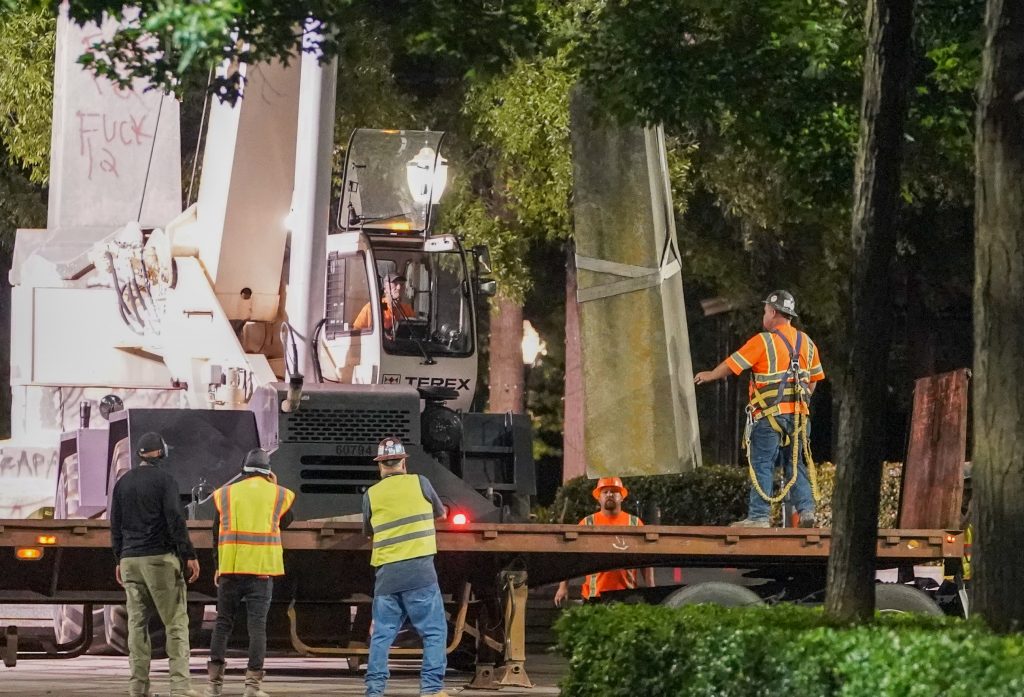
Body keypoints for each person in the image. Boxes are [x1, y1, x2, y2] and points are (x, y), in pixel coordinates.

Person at [693, 290, 825, 528]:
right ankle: (806, 511)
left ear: (773, 312)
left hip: (768, 417)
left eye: (765, 311)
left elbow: (733, 364)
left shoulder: (763, 341)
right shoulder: (807, 342)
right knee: (796, 465)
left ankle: (758, 517)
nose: (764, 316)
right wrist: (800, 402)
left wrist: (710, 374)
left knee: (762, 464)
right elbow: (813, 380)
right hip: (799, 417)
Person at [110, 431, 202, 697]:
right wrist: (189, 554)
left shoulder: (123, 483)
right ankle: (180, 687)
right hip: (159, 559)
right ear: (161, 453)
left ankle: (138, 687)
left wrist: (119, 558)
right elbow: (175, 519)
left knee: (137, 624)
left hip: (130, 561)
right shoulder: (165, 480)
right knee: (175, 623)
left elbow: (115, 525)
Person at [362, 437, 450, 697]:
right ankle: (431, 690)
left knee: (382, 636)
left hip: (387, 577)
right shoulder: (420, 483)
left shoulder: (371, 494)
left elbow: (368, 531)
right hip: (420, 573)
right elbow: (441, 514)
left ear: (380, 466)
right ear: (403, 462)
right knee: (434, 632)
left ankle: (374, 691)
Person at [207, 449, 295, 697]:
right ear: (268, 471)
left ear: (243, 470)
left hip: (230, 569)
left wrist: (218, 565)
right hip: (261, 572)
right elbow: (286, 521)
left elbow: (215, 533)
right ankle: (252, 687)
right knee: (257, 627)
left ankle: (214, 686)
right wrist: (273, 485)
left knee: (223, 623)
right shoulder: (278, 494)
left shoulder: (226, 493)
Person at [553, 477, 655, 606]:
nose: (609, 495)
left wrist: (651, 588)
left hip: (627, 596)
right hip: (594, 596)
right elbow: (571, 556)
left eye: (614, 491)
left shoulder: (634, 523)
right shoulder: (587, 524)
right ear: (599, 498)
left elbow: (646, 558)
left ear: (622, 497)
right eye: (605, 492)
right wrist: (563, 587)